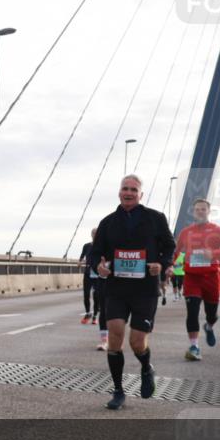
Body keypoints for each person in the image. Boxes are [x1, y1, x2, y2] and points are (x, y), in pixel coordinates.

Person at [89, 175, 174, 410]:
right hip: (116, 288)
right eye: (125, 188)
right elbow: (95, 254)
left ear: (141, 194)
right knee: (115, 335)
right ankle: (118, 390)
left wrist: (162, 263)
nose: (129, 193)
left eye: (133, 190)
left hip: (145, 290)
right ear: (119, 192)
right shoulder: (107, 223)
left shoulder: (156, 218)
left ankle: (146, 368)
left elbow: (169, 245)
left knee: (137, 342)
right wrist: (99, 266)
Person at [171, 199, 220, 361]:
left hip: (211, 278)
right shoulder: (186, 232)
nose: (200, 212)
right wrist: (169, 265)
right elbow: (176, 251)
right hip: (192, 277)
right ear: (193, 212)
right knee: (192, 312)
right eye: (197, 209)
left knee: (211, 314)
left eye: (203, 209)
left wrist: (214, 255)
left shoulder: (217, 231)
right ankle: (194, 347)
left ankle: (209, 326)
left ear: (208, 211)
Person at [78, 228, 99, 324]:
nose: (94, 235)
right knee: (86, 294)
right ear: (91, 234)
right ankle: (88, 313)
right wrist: (80, 262)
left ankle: (95, 316)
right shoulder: (86, 246)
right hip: (88, 272)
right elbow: (82, 256)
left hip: (97, 274)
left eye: (96, 233)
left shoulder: (101, 245)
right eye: (93, 233)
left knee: (96, 295)